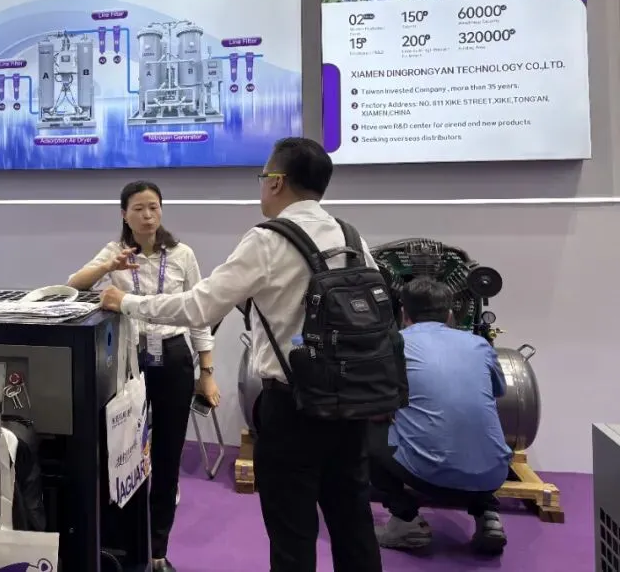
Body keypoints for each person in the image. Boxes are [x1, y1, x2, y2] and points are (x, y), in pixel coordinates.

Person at [100, 137, 383, 572]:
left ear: (277, 182)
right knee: (353, 522)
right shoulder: (351, 236)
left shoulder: (267, 240)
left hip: (292, 404)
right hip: (351, 402)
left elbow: (199, 307)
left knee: (292, 531)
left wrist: (128, 302)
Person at [68, 180, 220, 572]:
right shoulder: (114, 252)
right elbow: (73, 286)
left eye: (154, 207)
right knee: (122, 450)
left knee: (167, 455)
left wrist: (207, 372)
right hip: (128, 359)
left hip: (173, 356)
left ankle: (157, 551)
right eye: (138, 208)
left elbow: (199, 315)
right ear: (124, 214)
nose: (148, 216)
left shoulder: (183, 254)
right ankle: (123, 546)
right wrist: (109, 267)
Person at [371, 277, 512, 555]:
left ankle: (405, 521)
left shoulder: (395, 344)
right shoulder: (479, 344)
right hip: (494, 475)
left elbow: (375, 401)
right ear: (450, 314)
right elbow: (499, 391)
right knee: (478, 425)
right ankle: (488, 515)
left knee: (365, 427)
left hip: (428, 477)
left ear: (403, 313)